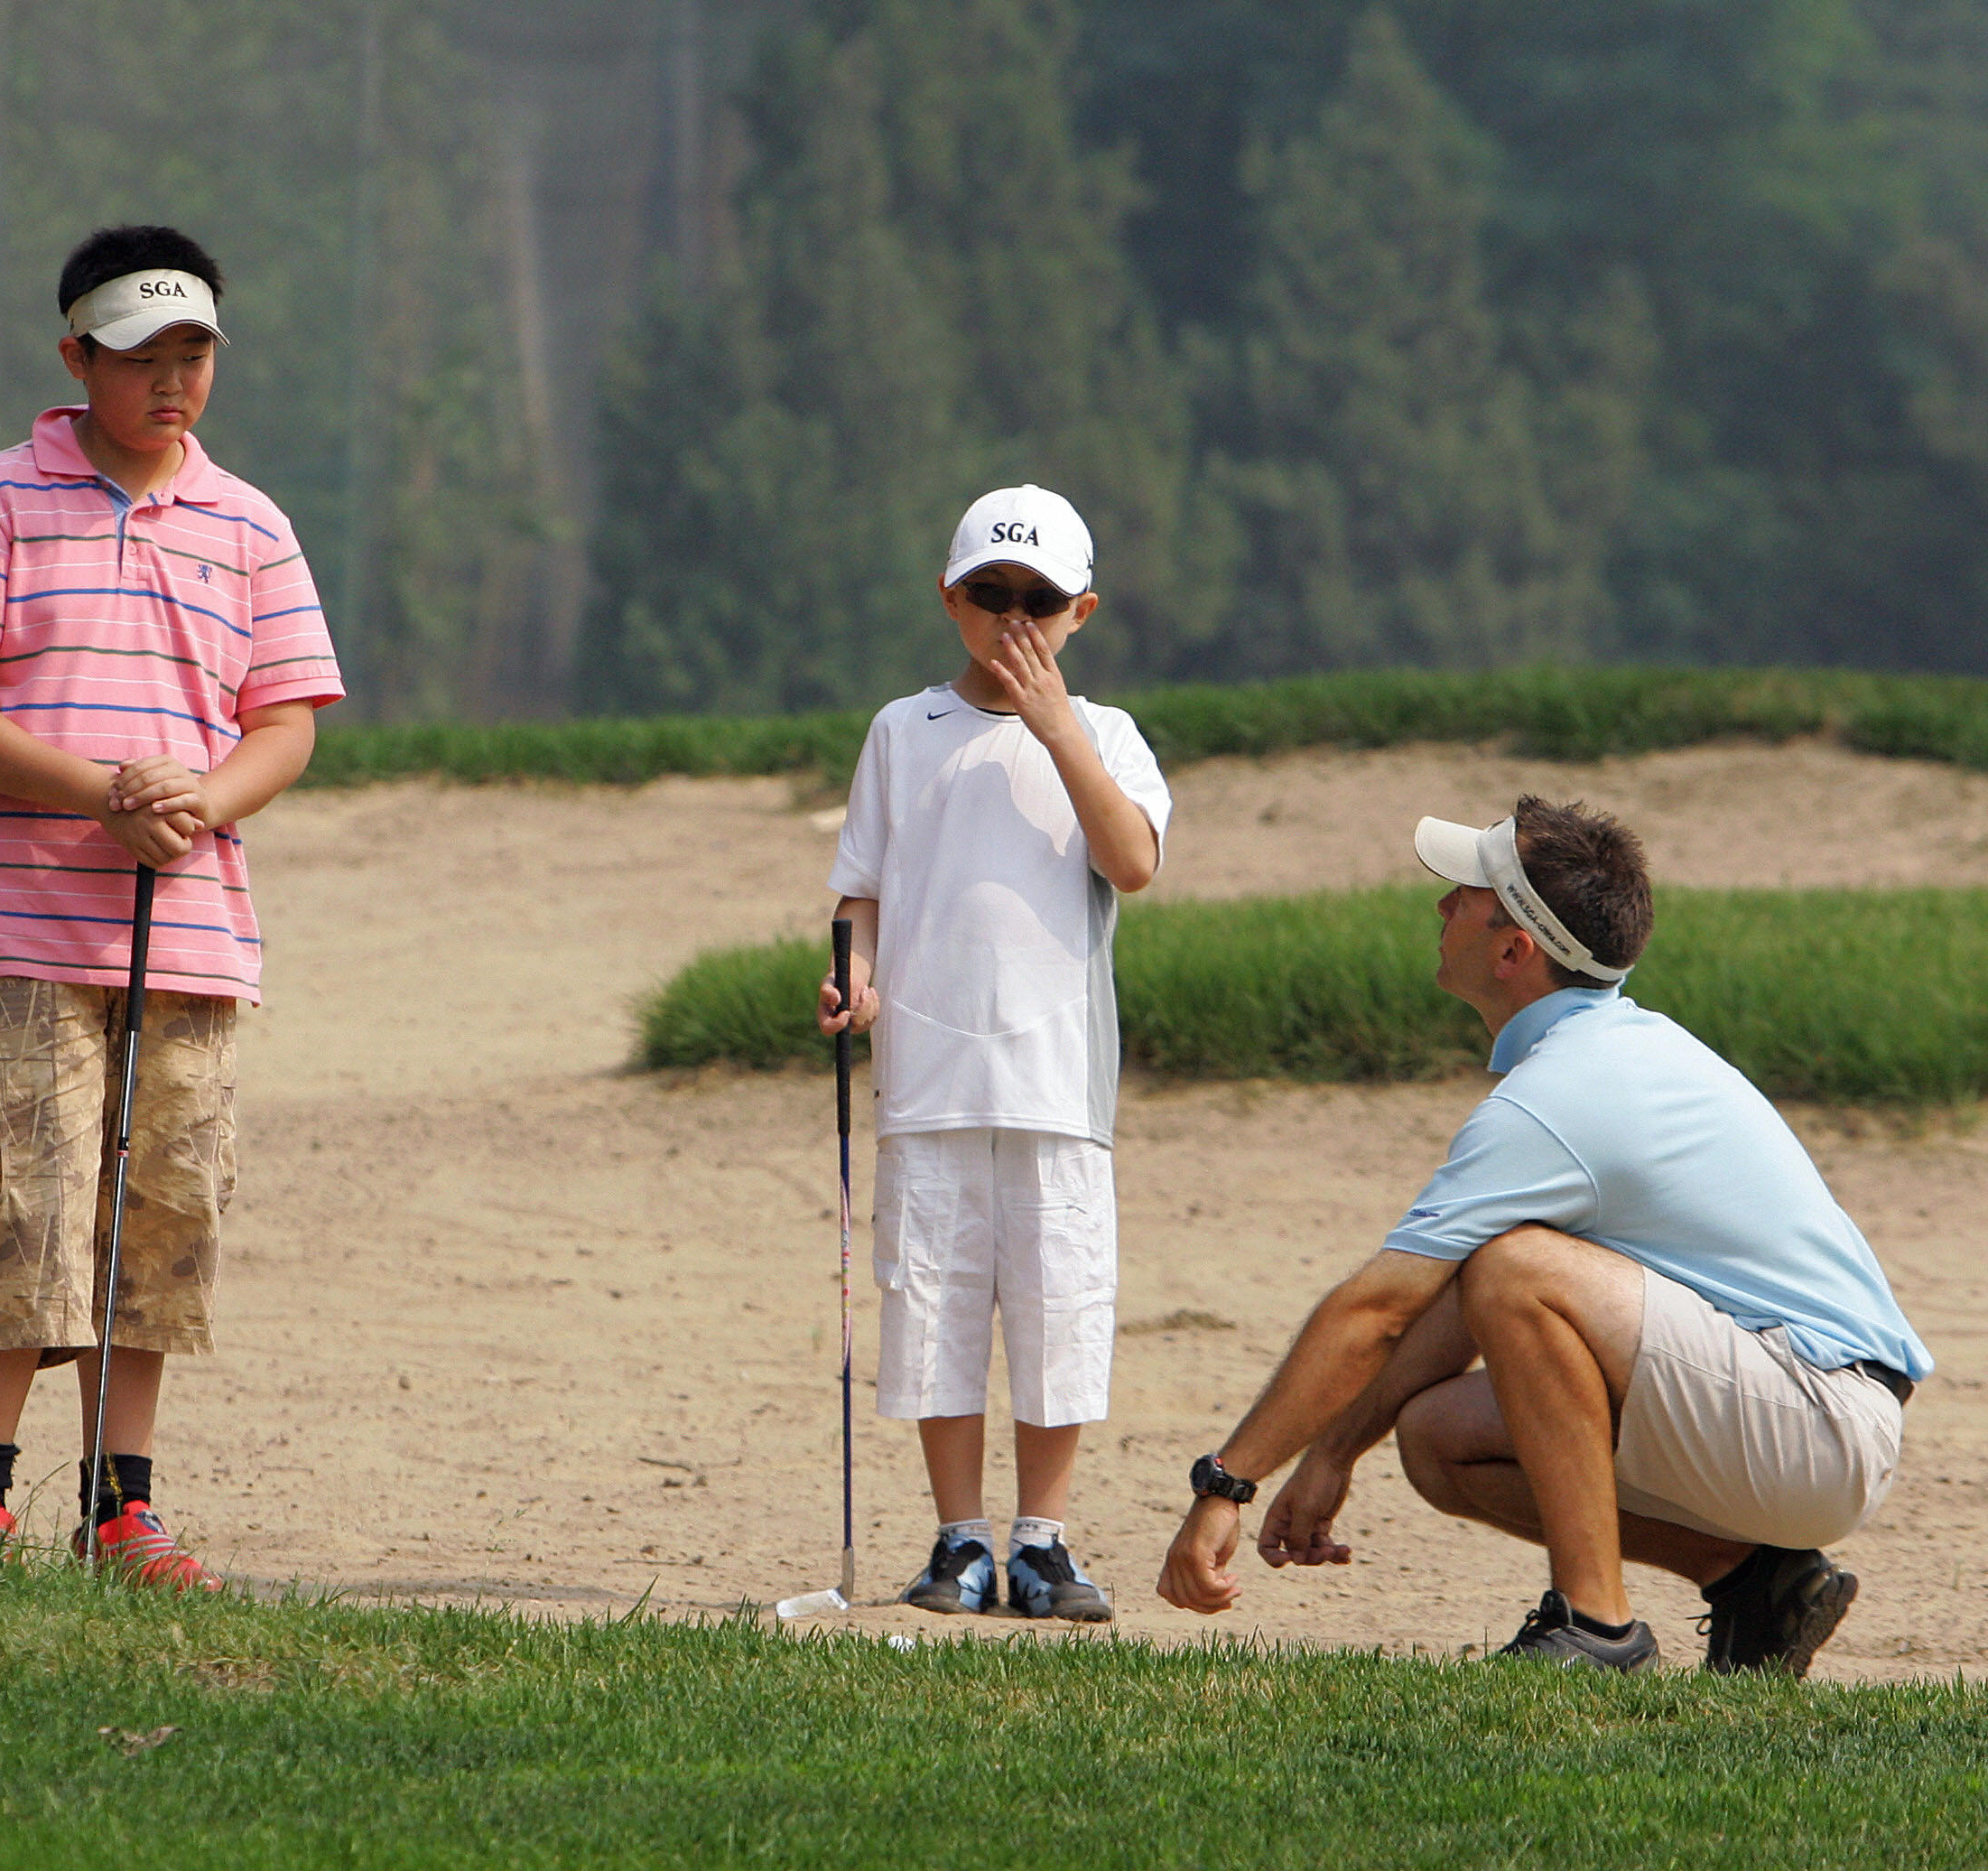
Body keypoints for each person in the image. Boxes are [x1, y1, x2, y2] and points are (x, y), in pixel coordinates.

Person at [1156, 798, 1930, 1673]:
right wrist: (1334, 1448)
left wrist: (1226, 1485)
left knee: (1517, 1269)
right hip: (1800, 1415)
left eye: (1465, 893)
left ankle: (1595, 1625)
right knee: (1440, 1434)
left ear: (1513, 948)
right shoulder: (1603, 1053)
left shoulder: (1561, 1091)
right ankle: (1758, 1582)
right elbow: (1449, 1304)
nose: (1442, 905)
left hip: (1819, 1425)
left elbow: (1375, 1309)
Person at [0, 225, 344, 1588]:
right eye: (142, 355)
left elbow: (288, 719)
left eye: (194, 352)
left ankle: (119, 1508)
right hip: (21, 925)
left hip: (190, 930)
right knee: (18, 1202)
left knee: (157, 1217)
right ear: (76, 355)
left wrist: (203, 802)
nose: (172, 380)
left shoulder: (250, 522)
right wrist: (100, 791)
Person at [820, 485, 1170, 1620]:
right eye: (991, 594)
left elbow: (1132, 859)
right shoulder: (901, 730)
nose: (1014, 618)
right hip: (928, 1073)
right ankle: (958, 1536)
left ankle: (1045, 1538)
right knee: (934, 1299)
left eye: (1040, 599)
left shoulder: (1108, 734)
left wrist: (1057, 725)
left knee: (1058, 1299)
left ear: (1082, 610)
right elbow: (862, 891)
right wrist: (855, 976)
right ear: (950, 597)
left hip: (1057, 1076)